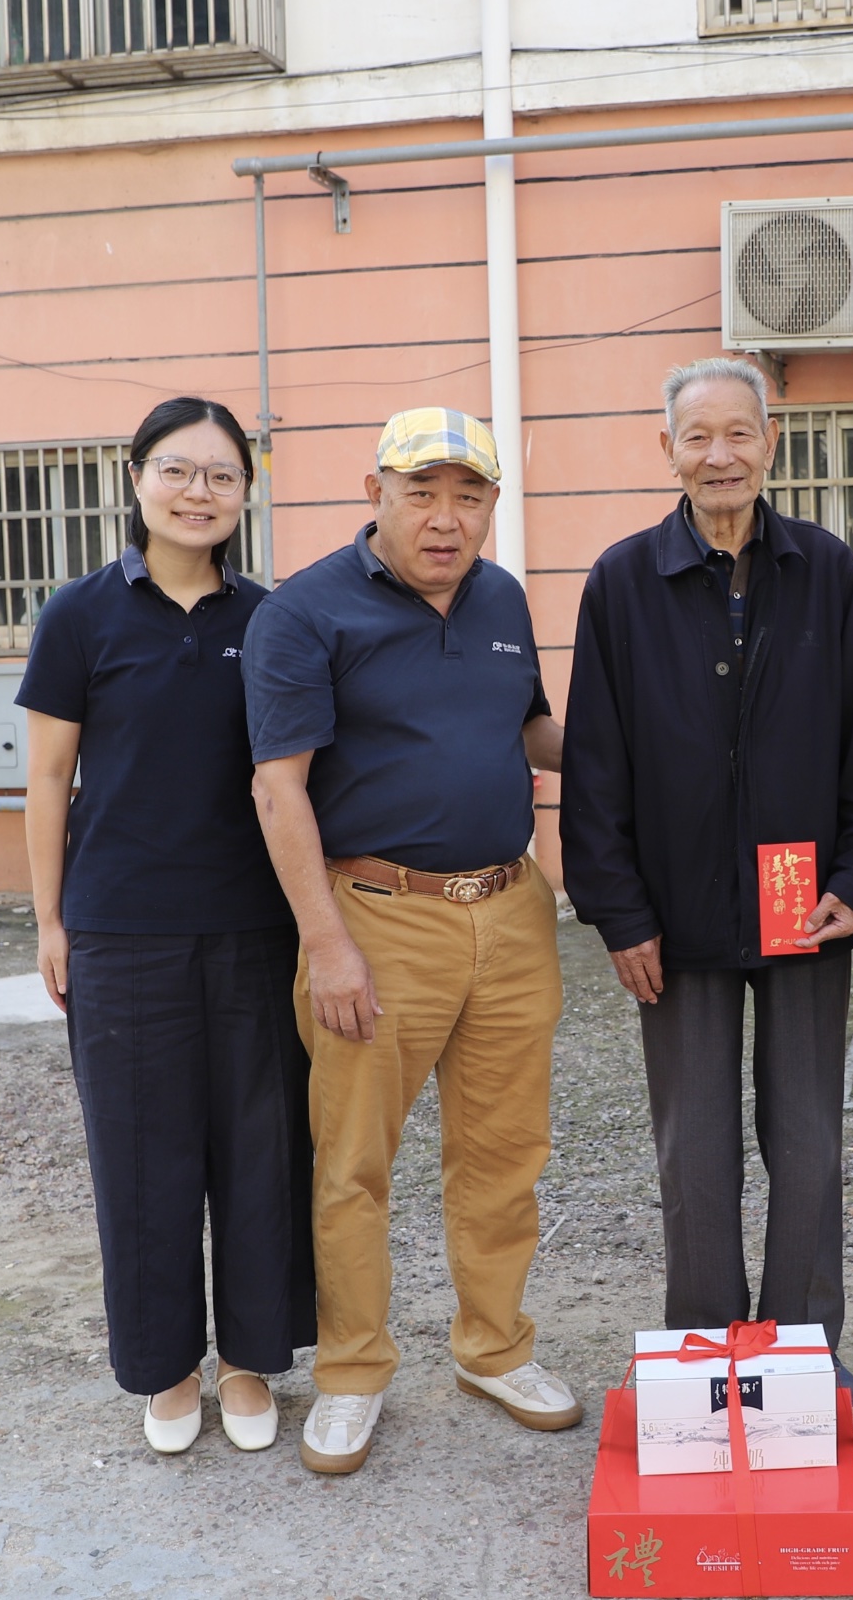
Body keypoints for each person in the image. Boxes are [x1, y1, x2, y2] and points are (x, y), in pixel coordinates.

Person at [243, 406, 579, 1476]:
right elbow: (276, 786)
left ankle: (492, 1345)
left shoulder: (500, 597)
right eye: (421, 491)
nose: (444, 517)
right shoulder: (305, 613)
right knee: (352, 1163)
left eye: (467, 494)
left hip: (511, 910)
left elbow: (527, 729)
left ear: (490, 505)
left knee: (504, 1152)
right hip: (376, 918)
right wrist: (327, 944)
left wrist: (650, 744)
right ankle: (350, 1370)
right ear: (374, 491)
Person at [560, 357, 853, 1415]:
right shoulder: (622, 580)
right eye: (696, 436)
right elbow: (595, 766)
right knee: (692, 1145)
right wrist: (617, 911)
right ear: (668, 449)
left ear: (770, 442)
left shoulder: (828, 569)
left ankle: (799, 1349)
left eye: (737, 434)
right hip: (673, 911)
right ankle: (706, 1349)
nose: (718, 455)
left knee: (805, 1139)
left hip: (805, 901)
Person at [19, 395, 313, 1456]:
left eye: (222, 475)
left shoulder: (273, 617)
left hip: (253, 929)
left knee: (258, 1148)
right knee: (141, 1156)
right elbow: (49, 776)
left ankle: (248, 1360)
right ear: (136, 475)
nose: (199, 492)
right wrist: (51, 919)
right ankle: (166, 1367)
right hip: (121, 931)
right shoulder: (80, 615)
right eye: (178, 470)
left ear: (246, 491)